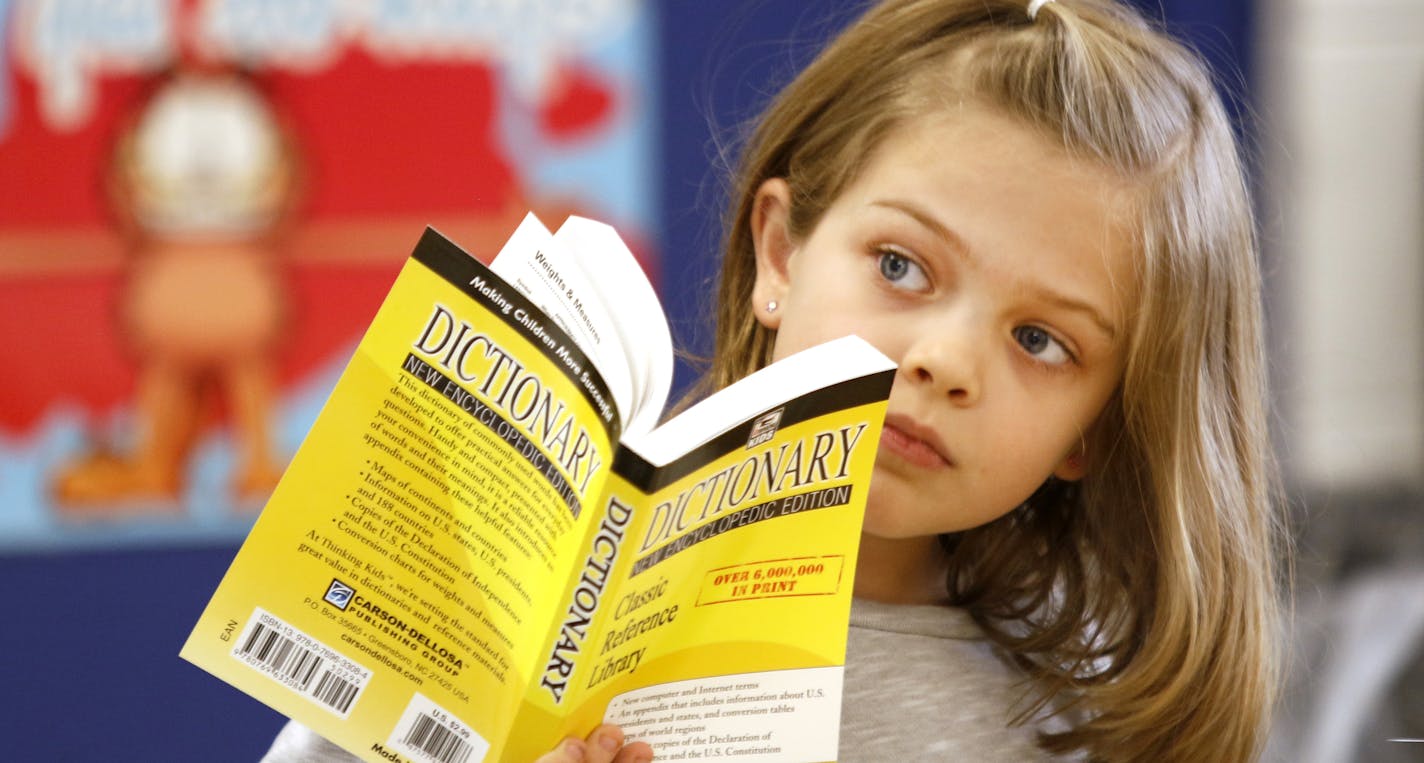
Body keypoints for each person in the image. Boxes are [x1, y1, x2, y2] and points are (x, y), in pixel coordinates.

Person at [266, 0, 1286, 760]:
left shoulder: (1078, 716)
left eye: (1039, 340)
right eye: (899, 267)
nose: (942, 359)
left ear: (1092, 429)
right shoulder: (502, 592)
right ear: (781, 255)